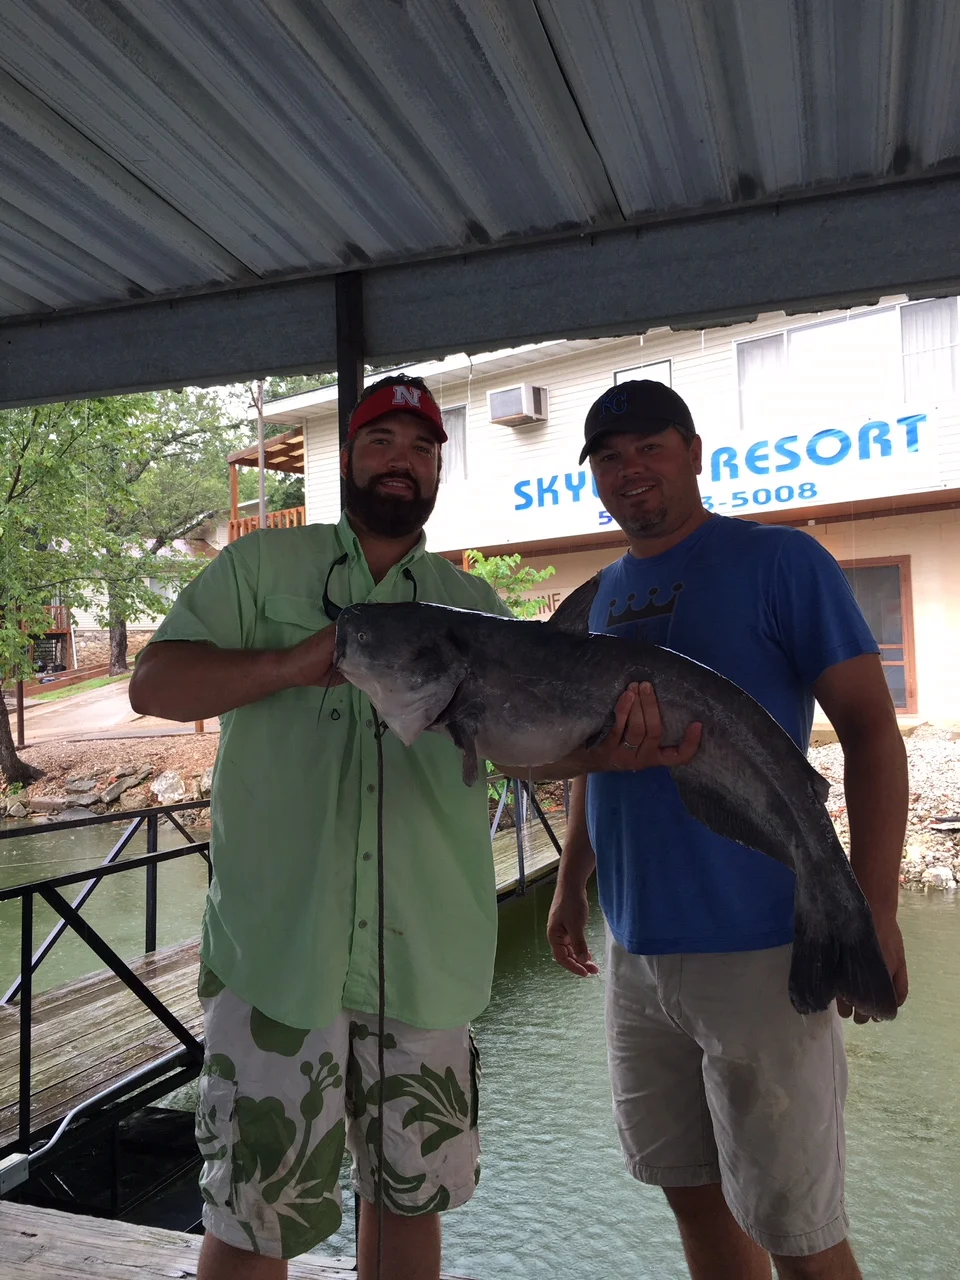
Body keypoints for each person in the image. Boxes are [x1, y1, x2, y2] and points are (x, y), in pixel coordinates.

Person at [129, 375, 513, 1280]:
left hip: (427, 960)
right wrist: (291, 665)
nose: (401, 462)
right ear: (349, 457)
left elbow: (536, 753)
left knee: (411, 1206)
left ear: (437, 473)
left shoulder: (476, 608)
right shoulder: (259, 569)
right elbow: (154, 687)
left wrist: (621, 742)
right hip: (276, 957)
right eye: (383, 442)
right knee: (254, 1218)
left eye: (423, 449)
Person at [541, 381, 909, 1280]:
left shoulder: (782, 561)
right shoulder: (594, 600)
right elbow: (595, 754)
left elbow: (870, 730)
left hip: (765, 950)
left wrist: (877, 909)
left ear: (695, 451)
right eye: (611, 456)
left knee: (799, 1229)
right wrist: (569, 879)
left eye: (651, 448)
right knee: (695, 1204)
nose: (632, 471)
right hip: (636, 954)